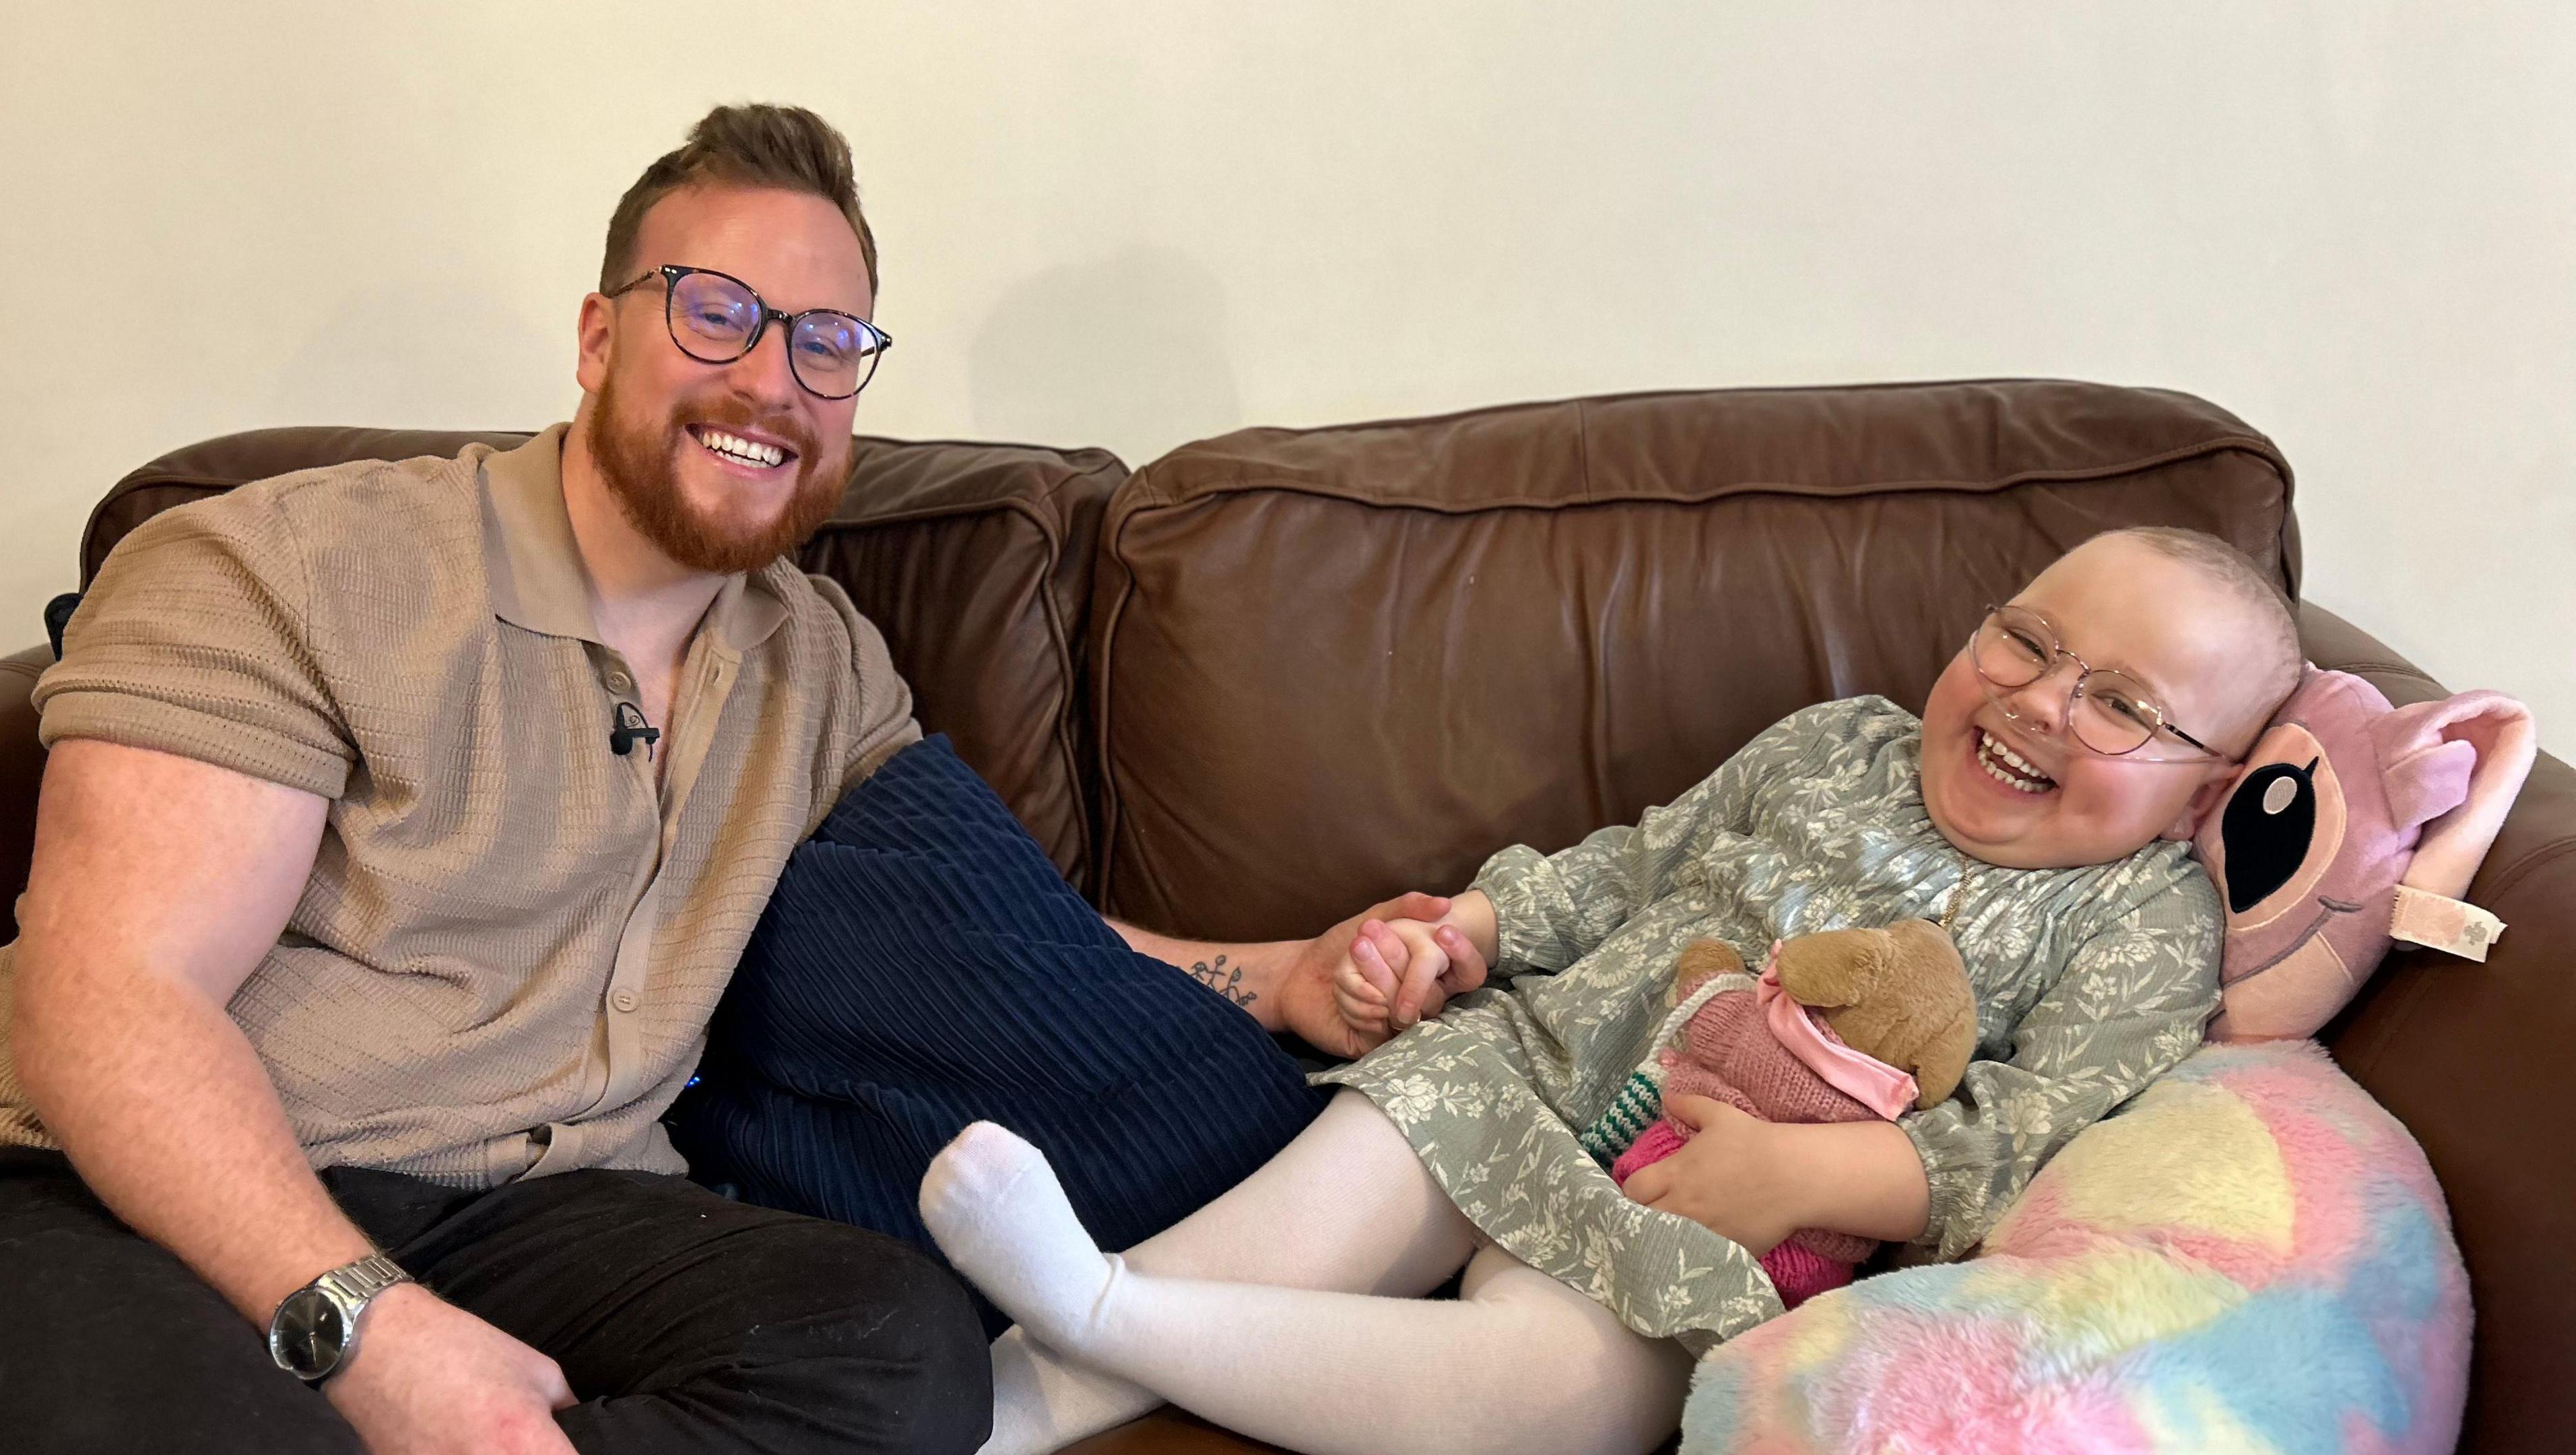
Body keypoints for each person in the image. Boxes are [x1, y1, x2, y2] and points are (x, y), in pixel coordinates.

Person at [0, 104, 1005, 1455]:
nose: (773, 381)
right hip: (143, 1185)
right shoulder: (285, 566)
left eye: (829, 344)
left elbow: (985, 927)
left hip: (542, 1206)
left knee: (903, 1355)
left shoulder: (822, 662)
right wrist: (373, 1330)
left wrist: (1282, 975)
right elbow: (114, 1000)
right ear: (599, 338)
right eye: (716, 312)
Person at [919, 527, 2309, 1455]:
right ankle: (996, 1409)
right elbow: (1630, 868)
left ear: (2211, 787)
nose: (2041, 702)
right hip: (1529, 1068)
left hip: (1710, 1221)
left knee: (1568, 1397)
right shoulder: (1840, 745)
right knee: (1309, 1212)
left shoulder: (2143, 917)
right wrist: (1466, 932)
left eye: (2123, 705)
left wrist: (1813, 1179)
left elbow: (2031, 1132)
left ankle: (1109, 1318)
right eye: (2027, 639)